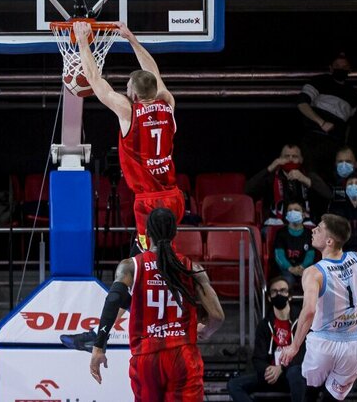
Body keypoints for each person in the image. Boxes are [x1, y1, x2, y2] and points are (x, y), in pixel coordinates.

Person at [89, 208, 224, 400]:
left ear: (146, 233)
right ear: (174, 233)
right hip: (182, 353)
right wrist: (205, 330)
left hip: (146, 356)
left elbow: (113, 300)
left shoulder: (131, 265)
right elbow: (217, 316)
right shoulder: (191, 268)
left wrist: (98, 348)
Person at [74, 21, 185, 252]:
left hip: (149, 200)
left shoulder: (128, 112)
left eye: (127, 86)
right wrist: (132, 39)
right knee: (163, 253)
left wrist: (83, 42)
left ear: (133, 92)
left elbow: (95, 81)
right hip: (174, 197)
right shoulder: (167, 101)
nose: (125, 89)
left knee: (153, 261)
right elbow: (153, 73)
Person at [279, 214, 357, 401]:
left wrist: (294, 346)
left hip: (324, 344)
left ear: (329, 241)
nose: (312, 230)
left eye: (318, 229)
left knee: (309, 392)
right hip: (354, 346)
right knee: (332, 398)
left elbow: (310, 310)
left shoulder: (313, 273)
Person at [227, 277, 306, 402]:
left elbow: (304, 354)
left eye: (282, 290)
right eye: (274, 292)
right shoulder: (264, 325)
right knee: (234, 384)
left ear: (289, 296)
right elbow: (258, 358)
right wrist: (268, 370)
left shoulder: (301, 322)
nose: (278, 294)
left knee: (296, 372)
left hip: (293, 373)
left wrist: (281, 368)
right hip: (271, 375)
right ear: (269, 298)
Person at [297, 53, 357, 177]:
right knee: (312, 177)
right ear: (331, 68)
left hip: (336, 143)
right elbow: (301, 103)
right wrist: (322, 122)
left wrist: (345, 147)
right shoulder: (319, 81)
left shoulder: (354, 94)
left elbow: (349, 124)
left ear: (349, 70)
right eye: (337, 66)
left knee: (334, 180)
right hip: (314, 139)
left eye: (344, 66)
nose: (340, 69)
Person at [245, 143, 331, 226]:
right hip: (274, 223)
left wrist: (304, 179)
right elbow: (247, 190)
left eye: (294, 156)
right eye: (286, 156)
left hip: (306, 224)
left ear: (301, 159)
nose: (290, 159)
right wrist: (270, 168)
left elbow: (328, 195)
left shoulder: (309, 175)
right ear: (279, 159)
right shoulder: (271, 176)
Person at [273, 201, 316, 290]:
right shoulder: (281, 233)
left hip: (304, 269)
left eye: (296, 210)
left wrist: (302, 267)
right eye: (290, 210)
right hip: (286, 270)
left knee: (311, 281)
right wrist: (290, 268)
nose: (293, 212)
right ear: (286, 215)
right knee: (286, 281)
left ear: (303, 214)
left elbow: (310, 255)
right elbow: (279, 256)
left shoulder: (309, 234)